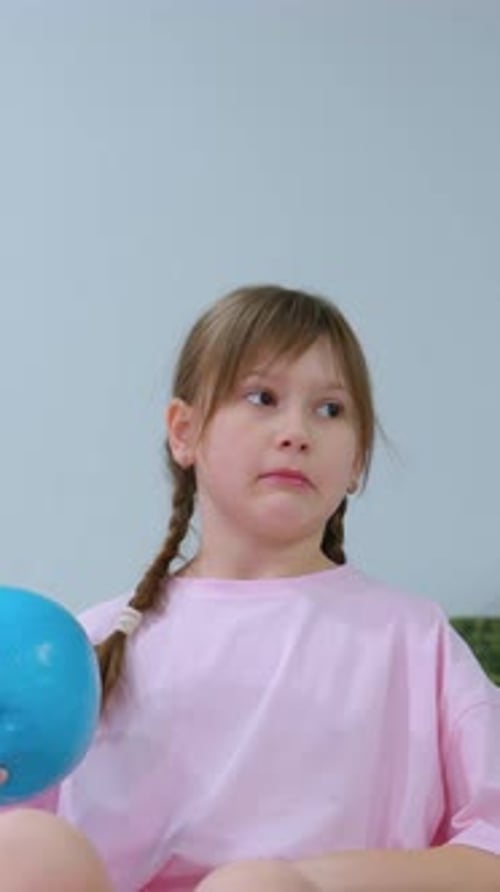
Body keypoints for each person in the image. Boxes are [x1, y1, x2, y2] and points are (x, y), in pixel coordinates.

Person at [1, 284, 500, 891]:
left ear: (357, 459)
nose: (297, 431)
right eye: (262, 398)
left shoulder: (413, 640)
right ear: (184, 432)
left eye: (330, 410)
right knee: (26, 845)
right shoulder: (91, 644)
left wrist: (305, 883)